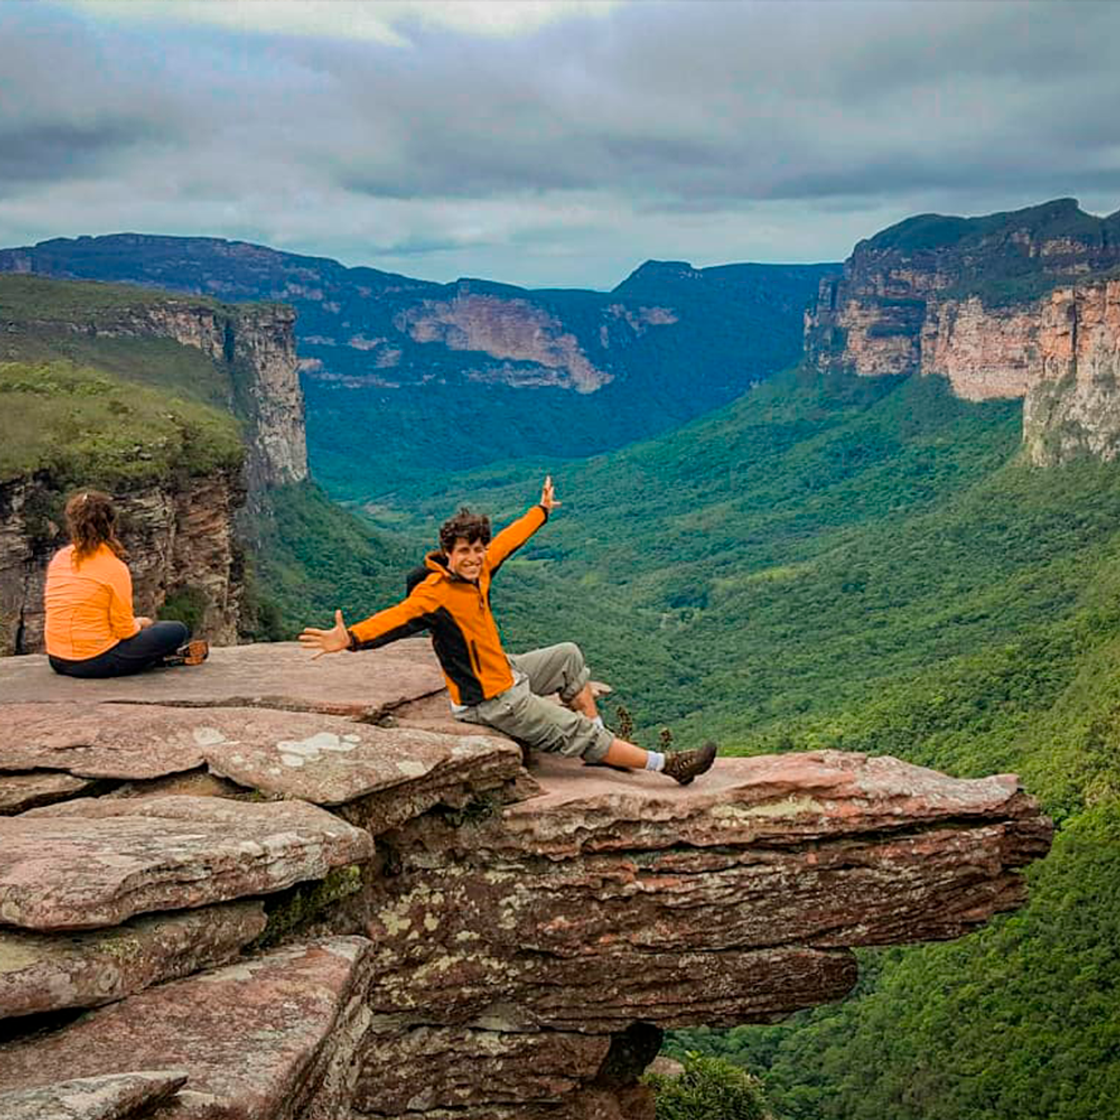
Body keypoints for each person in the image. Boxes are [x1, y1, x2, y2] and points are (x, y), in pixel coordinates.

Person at [299, 477, 718, 784]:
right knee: (575, 731)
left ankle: (601, 748)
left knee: (569, 655)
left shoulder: (479, 569)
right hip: (491, 701)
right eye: (465, 551)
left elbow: (509, 540)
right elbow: (391, 620)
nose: (475, 558)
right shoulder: (434, 594)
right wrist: (348, 638)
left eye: (478, 550)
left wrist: (541, 511)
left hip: (506, 669)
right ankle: (666, 766)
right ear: (447, 554)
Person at [44, 490, 209, 678]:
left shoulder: (60, 558)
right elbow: (124, 630)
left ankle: (149, 658)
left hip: (57, 659)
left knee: (148, 633)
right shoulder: (114, 567)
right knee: (176, 630)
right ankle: (156, 658)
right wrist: (140, 623)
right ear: (110, 525)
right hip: (95, 662)